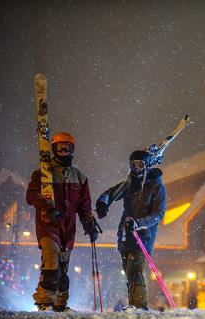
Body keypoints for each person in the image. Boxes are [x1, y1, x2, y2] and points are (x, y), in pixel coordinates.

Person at [26, 132, 99, 311]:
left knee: (63, 266)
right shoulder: (43, 173)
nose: (64, 151)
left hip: (68, 228)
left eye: (68, 148)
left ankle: (60, 303)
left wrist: (88, 222)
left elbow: (84, 205)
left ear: (73, 150)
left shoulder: (80, 177)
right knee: (51, 260)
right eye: (60, 148)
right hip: (48, 225)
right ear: (53, 149)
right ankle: (44, 301)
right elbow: (31, 195)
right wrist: (48, 208)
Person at [95, 150, 166, 310]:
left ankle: (139, 305)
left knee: (134, 268)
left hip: (143, 236)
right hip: (126, 235)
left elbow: (159, 214)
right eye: (133, 165)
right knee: (129, 271)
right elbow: (110, 193)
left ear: (147, 166)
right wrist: (103, 203)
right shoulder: (128, 185)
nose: (136, 169)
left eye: (140, 165)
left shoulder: (156, 187)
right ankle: (135, 304)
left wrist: (139, 223)